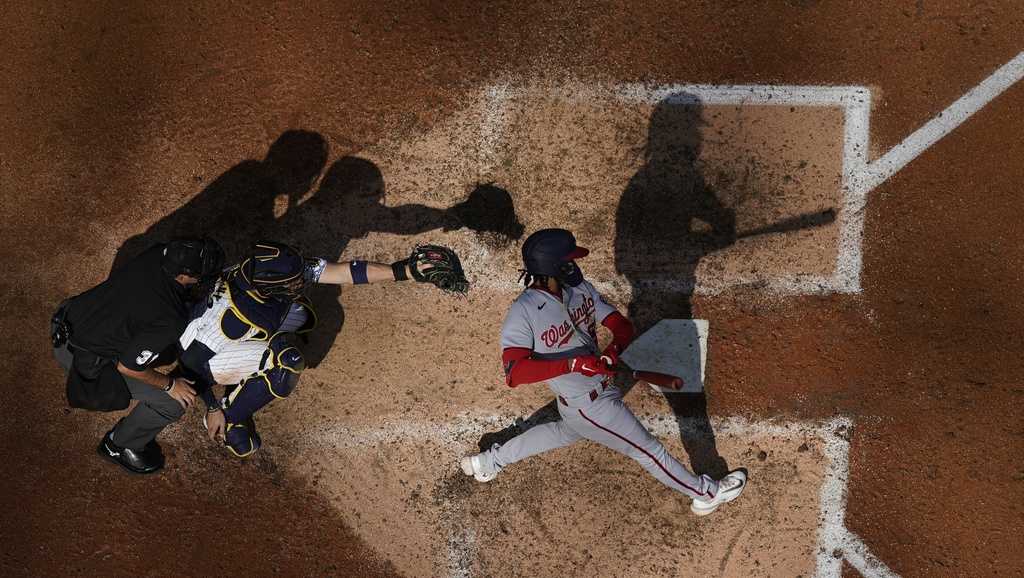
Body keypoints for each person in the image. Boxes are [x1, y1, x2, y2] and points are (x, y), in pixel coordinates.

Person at [459, 228, 747, 515]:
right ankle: (707, 494)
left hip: (594, 395)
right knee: (648, 451)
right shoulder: (523, 313)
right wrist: (572, 365)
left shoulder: (580, 288)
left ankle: (488, 463)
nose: (574, 264)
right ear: (550, 267)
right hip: (590, 407)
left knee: (565, 431)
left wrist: (614, 351)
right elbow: (515, 373)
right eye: (567, 260)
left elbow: (622, 327)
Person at [176, 240, 467, 457]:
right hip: (211, 357)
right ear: (270, 290)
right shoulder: (227, 319)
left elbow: (343, 272)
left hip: (251, 326)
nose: (300, 281)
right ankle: (231, 418)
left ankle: (255, 362)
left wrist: (404, 271)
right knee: (286, 363)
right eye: (292, 282)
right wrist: (212, 407)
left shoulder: (261, 274)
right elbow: (190, 368)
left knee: (302, 312)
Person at [51, 238, 225, 474]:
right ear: (184, 276)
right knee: (172, 403)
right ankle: (120, 445)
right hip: (80, 358)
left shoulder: (158, 253)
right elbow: (128, 367)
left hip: (68, 316)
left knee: (157, 342)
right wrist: (170, 384)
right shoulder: (170, 319)